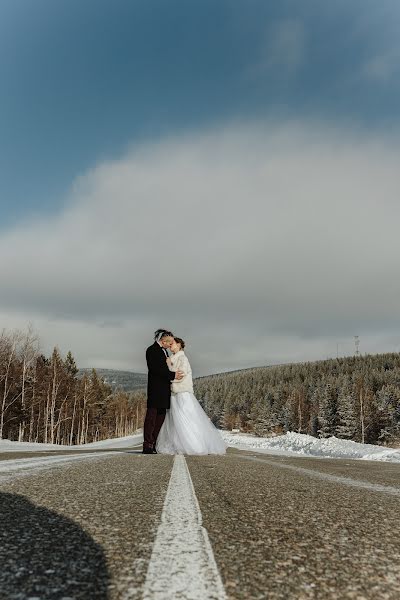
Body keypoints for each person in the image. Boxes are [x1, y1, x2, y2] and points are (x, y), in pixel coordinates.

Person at [156, 336, 227, 455]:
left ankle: (194, 445)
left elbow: (181, 374)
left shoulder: (182, 358)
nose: (170, 346)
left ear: (179, 345)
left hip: (182, 392)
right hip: (175, 393)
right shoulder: (173, 358)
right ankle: (180, 444)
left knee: (186, 417)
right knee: (176, 420)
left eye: (172, 343)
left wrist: (169, 367)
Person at [143, 329, 184, 454]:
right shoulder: (152, 350)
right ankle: (148, 444)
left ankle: (154, 443)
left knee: (160, 417)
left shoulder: (164, 351)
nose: (171, 344)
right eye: (170, 342)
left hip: (164, 390)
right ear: (163, 340)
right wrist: (173, 375)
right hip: (155, 390)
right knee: (151, 417)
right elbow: (155, 369)